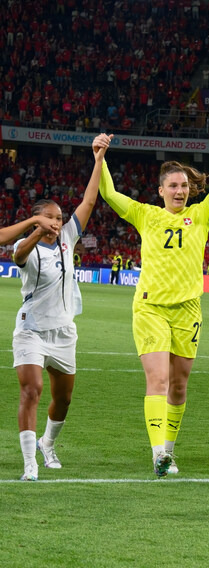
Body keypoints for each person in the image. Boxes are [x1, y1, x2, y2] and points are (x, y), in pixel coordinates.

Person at [98, 126, 209, 477]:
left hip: (188, 309)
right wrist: (100, 158)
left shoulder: (201, 215)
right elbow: (109, 193)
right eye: (173, 185)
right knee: (157, 380)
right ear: (160, 191)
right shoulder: (146, 214)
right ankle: (158, 453)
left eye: (184, 185)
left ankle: (169, 453)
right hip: (150, 308)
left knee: (179, 384)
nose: (179, 190)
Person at [11, 134, 108, 480]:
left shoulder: (68, 237)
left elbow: (89, 200)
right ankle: (29, 465)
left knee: (63, 399)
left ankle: (47, 444)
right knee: (31, 388)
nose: (58, 221)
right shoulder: (28, 247)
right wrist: (37, 230)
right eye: (51, 217)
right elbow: (18, 252)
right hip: (32, 330)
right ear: (37, 220)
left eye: (59, 216)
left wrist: (98, 159)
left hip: (64, 332)